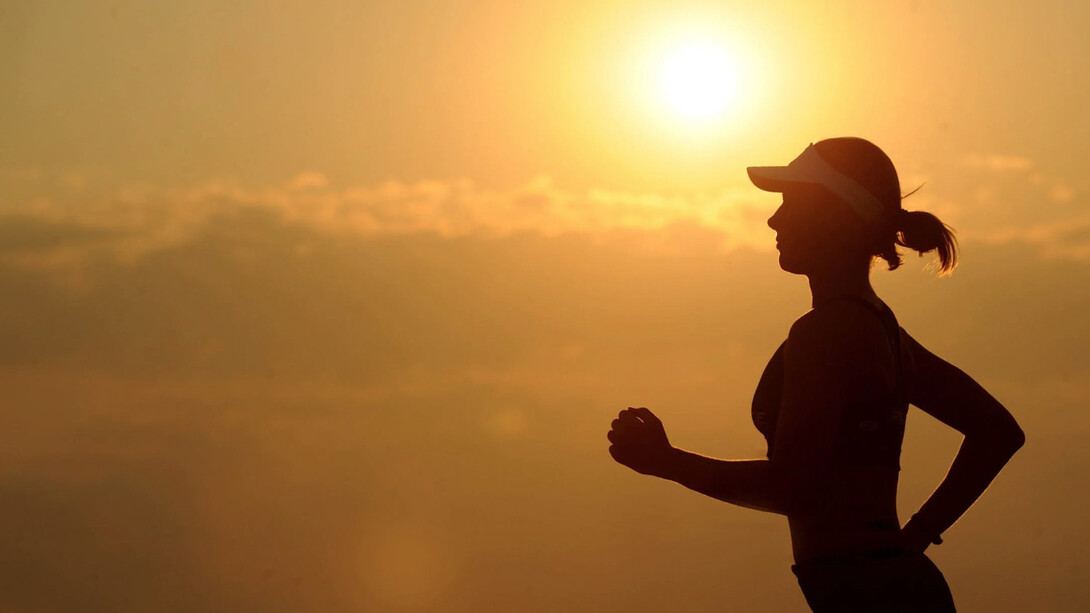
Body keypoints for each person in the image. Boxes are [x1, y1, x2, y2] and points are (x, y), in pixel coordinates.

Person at [606, 137, 1025, 612]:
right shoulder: (881, 328)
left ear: (836, 215)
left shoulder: (826, 332)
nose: (774, 219)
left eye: (792, 204)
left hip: (868, 594)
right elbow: (997, 432)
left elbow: (794, 488)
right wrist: (918, 535)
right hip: (889, 584)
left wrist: (667, 462)